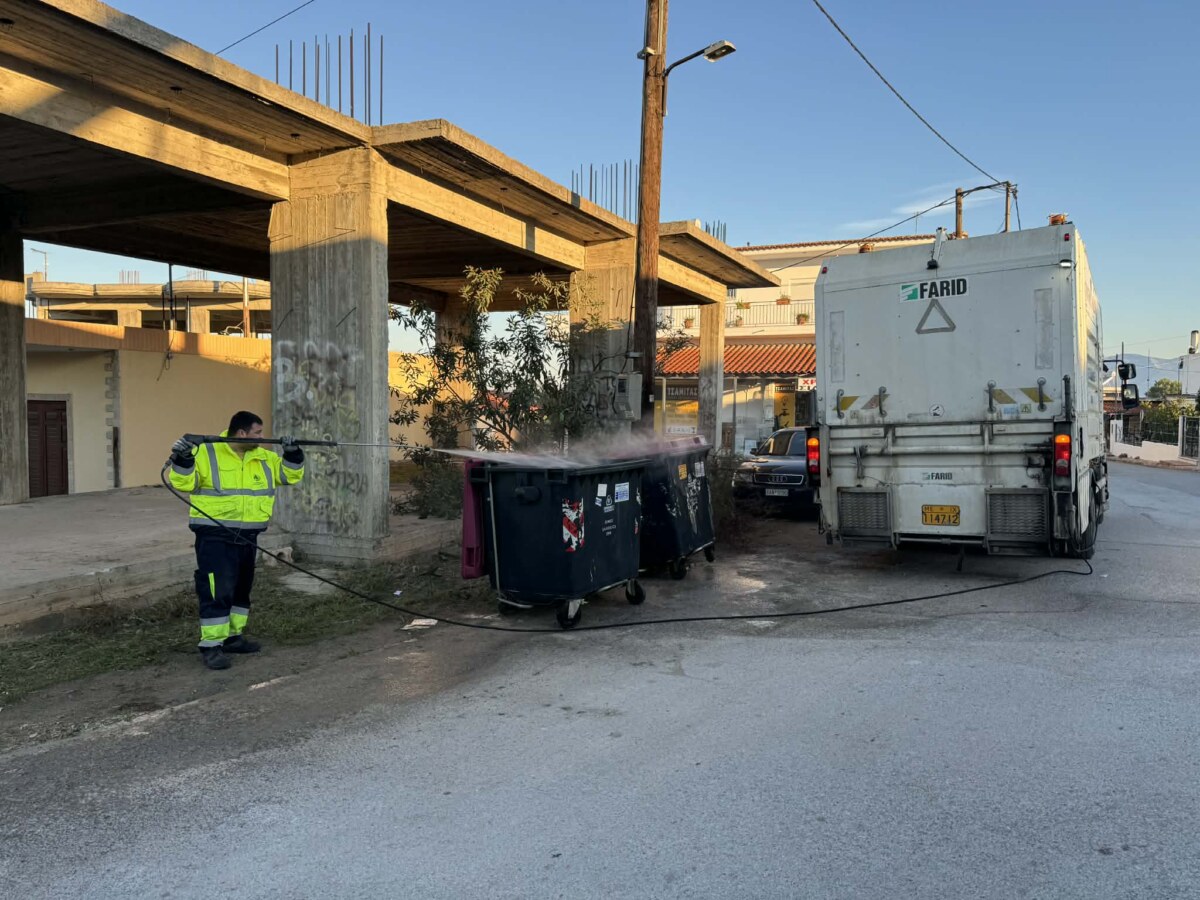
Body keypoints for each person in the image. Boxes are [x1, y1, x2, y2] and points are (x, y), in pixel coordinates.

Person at [168, 411, 305, 670]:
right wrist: (183, 458)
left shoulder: (263, 457)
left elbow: (290, 475)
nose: (262, 438)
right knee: (217, 590)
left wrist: (293, 454)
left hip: (249, 536)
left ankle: (232, 637)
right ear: (241, 433)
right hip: (215, 536)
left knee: (241, 590)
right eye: (257, 433)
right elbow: (183, 482)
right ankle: (211, 646)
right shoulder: (207, 453)